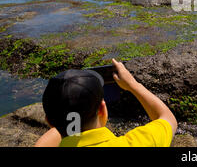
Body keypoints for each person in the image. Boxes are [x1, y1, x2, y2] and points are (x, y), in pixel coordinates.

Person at [34, 59, 177, 147]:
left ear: (49, 121)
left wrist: (64, 120)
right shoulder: (138, 143)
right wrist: (133, 85)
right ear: (102, 109)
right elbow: (167, 118)